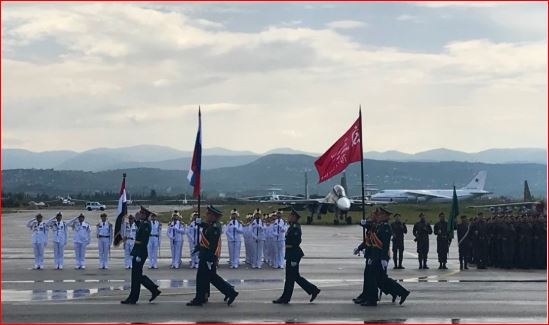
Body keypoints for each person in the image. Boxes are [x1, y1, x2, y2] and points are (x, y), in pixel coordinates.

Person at [187, 205, 239, 307]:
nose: (206, 215)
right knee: (211, 277)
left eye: (208, 214)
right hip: (206, 256)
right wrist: (199, 223)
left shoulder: (215, 227)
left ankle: (200, 298)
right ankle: (229, 291)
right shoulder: (212, 225)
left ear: (214, 216)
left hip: (208, 257)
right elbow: (206, 227)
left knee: (202, 277)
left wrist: (210, 259)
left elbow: (212, 245)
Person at [273, 208, 320, 304]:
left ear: (294, 217)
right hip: (291, 254)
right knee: (292, 277)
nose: (289, 216)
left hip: (294, 254)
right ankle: (311, 290)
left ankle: (286, 297)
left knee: (292, 277)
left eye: (290, 215)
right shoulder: (292, 226)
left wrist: (291, 249)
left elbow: (296, 241)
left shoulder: (295, 228)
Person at [120, 207, 161, 304]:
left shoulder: (147, 224)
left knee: (136, 275)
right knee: (136, 276)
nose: (140, 215)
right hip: (138, 250)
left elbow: (144, 240)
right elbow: (140, 227)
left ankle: (135, 297)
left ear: (145, 215)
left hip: (140, 252)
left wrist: (138, 255)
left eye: (142, 214)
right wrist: (137, 220)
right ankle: (151, 290)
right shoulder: (144, 223)